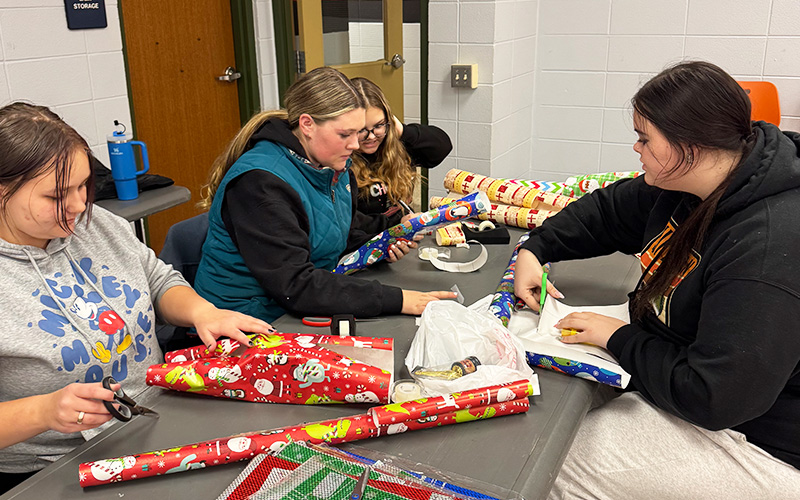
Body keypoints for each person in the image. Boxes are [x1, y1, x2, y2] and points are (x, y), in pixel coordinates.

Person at [513, 61, 800, 498]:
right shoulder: (696, 183)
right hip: (695, 388)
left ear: (693, 146)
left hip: (760, 444)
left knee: (547, 463)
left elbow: (715, 396)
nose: (635, 147)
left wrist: (618, 338)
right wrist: (535, 249)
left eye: (645, 138)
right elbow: (609, 210)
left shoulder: (766, 246)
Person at [0, 102, 273, 492]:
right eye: (57, 196)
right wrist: (43, 411)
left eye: (84, 186)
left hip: (152, 420)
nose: (79, 205)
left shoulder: (98, 224)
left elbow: (158, 280)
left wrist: (202, 311)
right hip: (52, 467)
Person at [194, 67, 455, 323]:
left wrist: (393, 231)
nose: (355, 145)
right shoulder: (260, 184)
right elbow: (296, 285)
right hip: (248, 321)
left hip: (292, 306)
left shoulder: (330, 164)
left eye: (358, 132)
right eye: (345, 134)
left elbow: (342, 228)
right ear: (307, 124)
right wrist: (398, 300)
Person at [350, 77, 452, 224]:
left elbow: (441, 147)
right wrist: (396, 226)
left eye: (378, 125)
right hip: (372, 238)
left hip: (405, 231)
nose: (371, 136)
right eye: (362, 130)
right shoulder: (340, 161)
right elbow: (350, 224)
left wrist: (403, 131)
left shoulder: (392, 144)